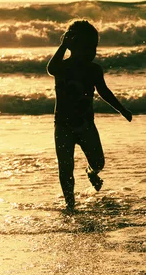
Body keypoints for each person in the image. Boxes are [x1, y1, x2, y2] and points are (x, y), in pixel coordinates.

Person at [47, 20, 132, 212]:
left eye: (94, 47)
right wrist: (63, 46)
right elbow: (51, 69)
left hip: (86, 125)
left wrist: (121, 109)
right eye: (87, 47)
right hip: (63, 126)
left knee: (98, 162)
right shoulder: (62, 67)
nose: (91, 52)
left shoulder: (94, 70)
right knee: (65, 169)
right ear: (73, 47)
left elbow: (104, 92)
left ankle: (91, 172)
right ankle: (70, 205)